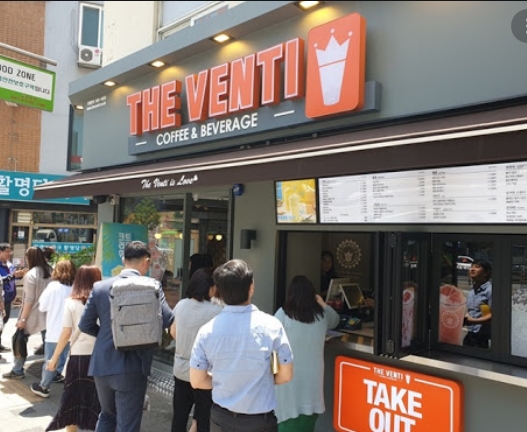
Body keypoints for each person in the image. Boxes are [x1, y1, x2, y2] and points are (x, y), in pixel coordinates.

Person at [78, 240, 174, 432]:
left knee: (107, 415)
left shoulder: (100, 287)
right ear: (146, 261)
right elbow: (167, 319)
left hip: (103, 364)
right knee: (128, 424)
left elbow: (84, 324)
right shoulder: (152, 286)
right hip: (134, 366)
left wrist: (109, 336)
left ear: (124, 260)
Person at [190, 259, 293, 432]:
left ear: (220, 292)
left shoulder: (206, 331)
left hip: (222, 419)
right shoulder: (272, 326)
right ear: (251, 287)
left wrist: (225, 381)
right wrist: (263, 381)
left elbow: (197, 380)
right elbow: (286, 375)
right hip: (260, 421)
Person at [274, 275, 339, 432]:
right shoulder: (321, 316)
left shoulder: (283, 314)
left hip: (289, 381)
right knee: (307, 423)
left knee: (287, 422)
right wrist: (323, 303)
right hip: (313, 382)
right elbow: (335, 320)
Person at [45, 265, 103, 432]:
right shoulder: (104, 301)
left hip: (78, 357)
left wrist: (54, 358)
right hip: (100, 357)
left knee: (73, 401)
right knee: (98, 401)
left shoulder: (71, 302)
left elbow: (66, 332)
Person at [170, 267, 223, 432]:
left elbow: (173, 332)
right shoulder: (216, 311)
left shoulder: (181, 305)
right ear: (210, 287)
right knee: (203, 420)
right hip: (204, 373)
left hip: (181, 369)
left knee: (179, 418)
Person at [2, 246, 52, 379]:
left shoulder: (31, 274)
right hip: (48, 314)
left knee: (19, 339)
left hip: (33, 313)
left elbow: (29, 300)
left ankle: (17, 370)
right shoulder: (50, 271)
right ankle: (52, 373)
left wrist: (22, 319)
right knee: (49, 345)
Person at [30, 259, 77, 398]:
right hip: (72, 331)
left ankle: (44, 387)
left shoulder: (53, 286)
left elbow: (42, 306)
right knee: (65, 356)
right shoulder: (75, 287)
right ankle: (57, 374)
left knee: (51, 358)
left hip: (55, 330)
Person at [0, 242, 27, 355]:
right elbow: (2, 280)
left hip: (8, 299)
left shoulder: (9, 264)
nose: (9, 254)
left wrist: (19, 274)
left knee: (3, 322)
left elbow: (12, 278)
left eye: (10, 251)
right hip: (1, 299)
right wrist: (14, 275)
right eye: (7, 251)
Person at [463, 259, 492, 349]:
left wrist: (473, 321)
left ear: (486, 273)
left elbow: (492, 315)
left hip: (483, 337)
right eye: (471, 266)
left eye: (477, 267)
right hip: (471, 334)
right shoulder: (473, 290)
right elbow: (471, 310)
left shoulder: (490, 291)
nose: (472, 269)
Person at [34, 246, 57, 356]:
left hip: (45, 298)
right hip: (52, 298)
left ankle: (46, 346)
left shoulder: (43, 267)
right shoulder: (52, 266)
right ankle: (45, 345)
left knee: (45, 325)